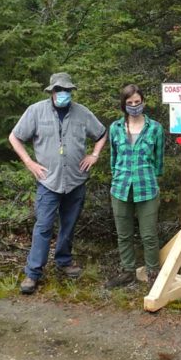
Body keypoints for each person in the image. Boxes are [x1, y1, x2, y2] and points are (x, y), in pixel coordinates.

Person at [9, 72, 107, 294]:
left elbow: (101, 134)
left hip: (75, 180)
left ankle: (64, 261)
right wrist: (29, 162)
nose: (63, 94)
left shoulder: (83, 113)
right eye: (59, 90)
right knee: (43, 226)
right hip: (48, 182)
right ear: (51, 91)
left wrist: (95, 155)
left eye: (67, 91)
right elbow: (14, 137)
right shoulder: (35, 111)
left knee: (69, 224)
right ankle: (33, 273)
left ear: (71, 91)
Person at [105, 84, 165, 288]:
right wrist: (118, 177)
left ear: (143, 102)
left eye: (137, 102)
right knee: (124, 234)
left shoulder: (155, 128)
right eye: (129, 103)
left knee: (149, 234)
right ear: (124, 105)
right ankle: (128, 271)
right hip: (120, 188)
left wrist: (151, 177)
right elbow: (113, 158)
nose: (134, 106)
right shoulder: (115, 128)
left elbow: (159, 161)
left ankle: (153, 273)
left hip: (147, 188)